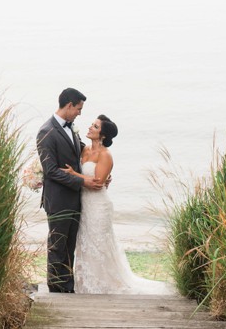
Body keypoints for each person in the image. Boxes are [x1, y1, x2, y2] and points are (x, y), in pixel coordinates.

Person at [61, 115, 174, 295]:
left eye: (95, 126)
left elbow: (98, 183)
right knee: (85, 244)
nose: (90, 127)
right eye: (92, 124)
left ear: (103, 135)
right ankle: (86, 284)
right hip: (84, 205)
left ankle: (104, 285)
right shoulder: (84, 150)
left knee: (99, 244)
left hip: (98, 206)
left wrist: (74, 174)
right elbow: (92, 178)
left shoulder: (106, 155)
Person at [35, 88, 105, 293]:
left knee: (69, 247)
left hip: (74, 200)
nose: (80, 113)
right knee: (57, 246)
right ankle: (56, 290)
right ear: (69, 105)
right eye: (78, 108)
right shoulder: (45, 132)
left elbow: (86, 154)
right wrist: (83, 182)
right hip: (57, 200)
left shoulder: (71, 128)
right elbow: (51, 171)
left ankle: (67, 287)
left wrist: (100, 172)